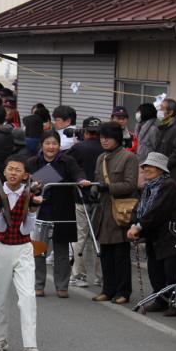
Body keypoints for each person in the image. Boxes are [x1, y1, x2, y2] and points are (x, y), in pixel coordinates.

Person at [0, 154, 44, 351]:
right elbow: (0, 228)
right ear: (4, 171)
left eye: (18, 170)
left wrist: (33, 210)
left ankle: (30, 347)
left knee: (28, 297)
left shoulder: (31, 195)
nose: (13, 173)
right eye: (10, 169)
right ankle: (0, 339)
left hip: (23, 248)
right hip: (0, 248)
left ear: (25, 175)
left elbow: (26, 230)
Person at [26, 131, 89, 298]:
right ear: (42, 145)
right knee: (38, 249)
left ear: (59, 145)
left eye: (54, 143)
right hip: (40, 210)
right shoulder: (33, 162)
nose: (51, 147)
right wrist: (32, 186)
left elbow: (78, 173)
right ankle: (38, 284)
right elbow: (25, 182)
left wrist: (81, 181)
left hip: (63, 209)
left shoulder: (67, 161)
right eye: (47, 143)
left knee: (62, 250)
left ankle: (62, 286)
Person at [127, 152, 176, 315]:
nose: (147, 169)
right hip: (154, 235)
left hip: (170, 235)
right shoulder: (149, 186)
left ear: (161, 169)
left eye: (151, 166)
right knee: (155, 270)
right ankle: (160, 300)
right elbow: (139, 208)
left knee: (171, 272)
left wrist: (139, 227)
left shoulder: (169, 185)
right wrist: (134, 223)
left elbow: (158, 210)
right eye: (145, 166)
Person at [92, 122, 139, 304]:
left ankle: (123, 291)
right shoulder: (100, 158)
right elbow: (97, 179)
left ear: (117, 139)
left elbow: (130, 185)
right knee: (105, 254)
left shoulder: (129, 157)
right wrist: (94, 190)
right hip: (104, 210)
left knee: (120, 255)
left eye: (108, 137)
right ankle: (108, 290)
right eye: (102, 137)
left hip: (121, 211)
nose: (104, 141)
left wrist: (108, 187)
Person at [69, 117, 105, 288]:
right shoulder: (107, 148)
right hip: (102, 197)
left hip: (80, 197)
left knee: (80, 236)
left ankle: (79, 276)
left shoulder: (78, 148)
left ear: (84, 131)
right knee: (100, 237)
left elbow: (64, 165)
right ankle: (101, 277)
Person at [155, 98, 176, 185]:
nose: (159, 111)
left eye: (162, 108)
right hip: (162, 172)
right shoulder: (164, 126)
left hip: (171, 174)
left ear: (170, 112)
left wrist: (162, 164)